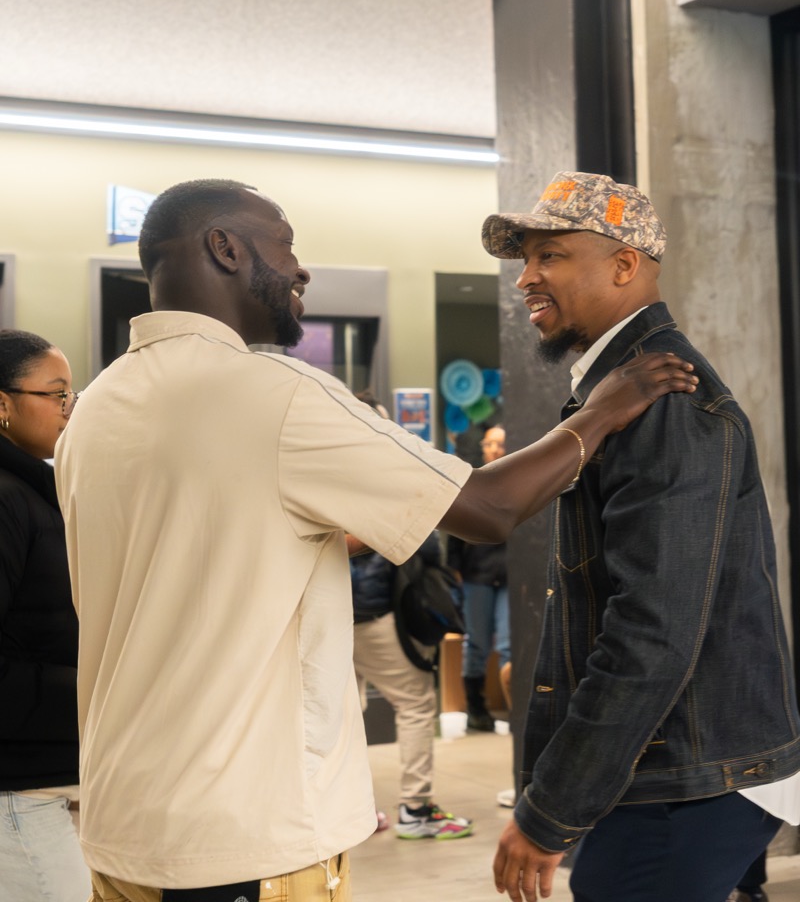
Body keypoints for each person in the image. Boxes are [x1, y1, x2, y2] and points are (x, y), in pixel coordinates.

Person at [54, 177, 697, 902]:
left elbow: (202, 559)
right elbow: (487, 507)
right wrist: (603, 410)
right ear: (225, 249)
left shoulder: (97, 407)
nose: (299, 269)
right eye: (285, 245)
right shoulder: (277, 394)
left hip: (123, 826)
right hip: (246, 834)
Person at [483, 171, 800, 902]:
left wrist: (550, 809)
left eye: (550, 255)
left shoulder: (665, 402)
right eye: (525, 260)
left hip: (683, 783)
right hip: (670, 774)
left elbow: (652, 632)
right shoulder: (619, 391)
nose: (526, 278)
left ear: (625, 265)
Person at [349, 389, 472, 841]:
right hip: (377, 611)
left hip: (331, 613)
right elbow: (423, 540)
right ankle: (415, 810)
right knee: (417, 704)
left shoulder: (323, 470)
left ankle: (351, 812)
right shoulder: (383, 475)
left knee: (342, 714)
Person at [0, 329, 88, 902]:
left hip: (34, 776)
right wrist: (90, 693)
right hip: (13, 785)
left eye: (71, 394)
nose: (69, 407)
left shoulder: (33, 488)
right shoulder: (8, 497)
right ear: (2, 404)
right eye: (56, 393)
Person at [447, 425, 511, 732]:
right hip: (476, 574)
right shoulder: (469, 480)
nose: (495, 449)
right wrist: (454, 569)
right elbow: (455, 530)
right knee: (476, 643)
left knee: (510, 643)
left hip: (511, 575)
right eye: (489, 444)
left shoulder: (519, 478)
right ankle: (475, 709)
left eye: (500, 443)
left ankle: (515, 710)